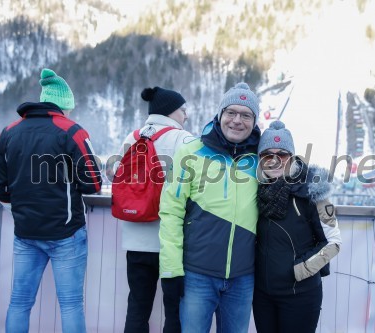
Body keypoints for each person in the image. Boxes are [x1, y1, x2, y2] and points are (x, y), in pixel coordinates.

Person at [0, 68, 102, 333]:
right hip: (65, 233)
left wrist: (16, 203)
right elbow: (93, 182)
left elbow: (0, 185)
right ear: (64, 105)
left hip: (25, 232)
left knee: (19, 302)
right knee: (70, 305)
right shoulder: (72, 131)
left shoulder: (8, 132)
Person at [159, 82, 261, 333]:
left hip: (243, 277)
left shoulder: (262, 159)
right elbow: (171, 211)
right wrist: (171, 270)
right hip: (197, 275)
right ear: (220, 115)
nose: (237, 121)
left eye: (246, 115)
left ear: (254, 121)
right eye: (231, 113)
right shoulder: (190, 152)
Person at [252, 120, 342, 333]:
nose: (274, 160)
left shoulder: (313, 192)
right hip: (263, 295)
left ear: (291, 157)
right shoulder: (255, 190)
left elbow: (333, 242)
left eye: (281, 154)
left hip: (300, 294)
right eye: (267, 154)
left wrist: (299, 269)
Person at [119, 87, 193, 333]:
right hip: (170, 244)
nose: (186, 115)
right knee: (174, 312)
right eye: (183, 110)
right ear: (171, 111)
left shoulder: (132, 137)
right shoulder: (183, 139)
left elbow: (116, 175)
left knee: (137, 307)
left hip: (135, 241)